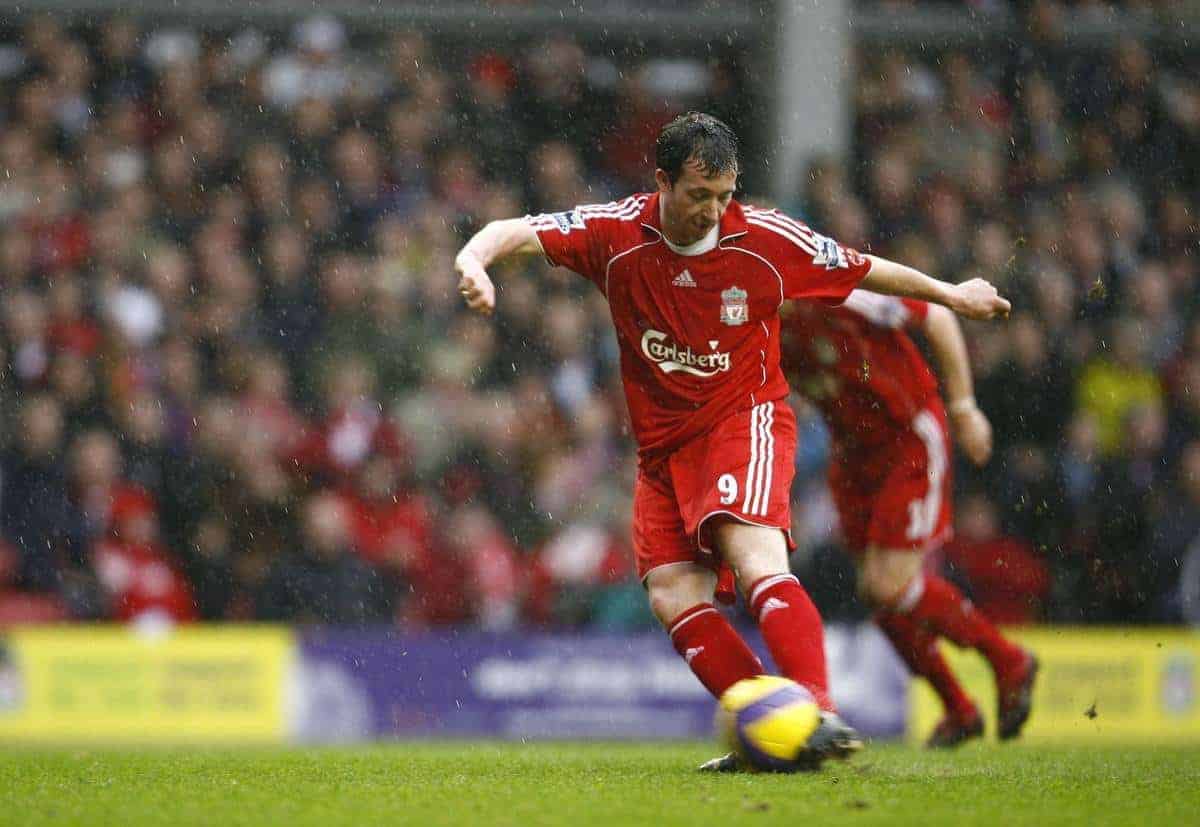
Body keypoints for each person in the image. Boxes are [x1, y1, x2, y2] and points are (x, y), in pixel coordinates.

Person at [454, 112, 1010, 769]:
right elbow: (510, 231)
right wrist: (473, 263)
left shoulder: (765, 238)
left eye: (725, 195)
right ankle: (766, 726)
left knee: (754, 558)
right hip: (663, 451)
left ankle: (816, 708)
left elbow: (866, 270)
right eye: (698, 195)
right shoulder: (615, 233)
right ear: (662, 181)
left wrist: (951, 293)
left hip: (742, 421)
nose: (713, 211)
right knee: (669, 593)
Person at [775, 291, 1037, 747]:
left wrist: (963, 407)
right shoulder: (756, 326)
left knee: (887, 585)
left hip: (906, 438)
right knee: (878, 595)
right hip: (853, 456)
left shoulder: (836, 288)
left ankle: (1007, 658)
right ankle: (959, 707)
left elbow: (937, 318)